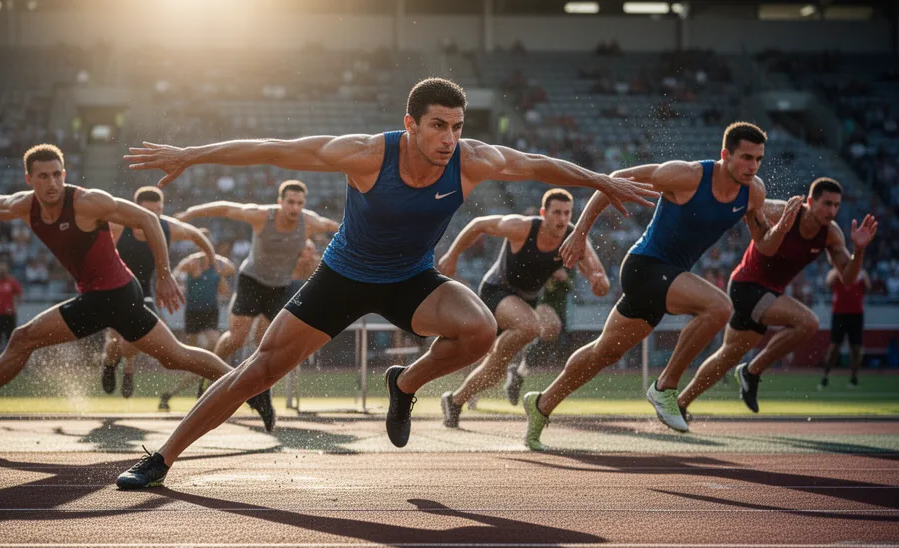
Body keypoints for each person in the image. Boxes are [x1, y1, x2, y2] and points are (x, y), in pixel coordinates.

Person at [115, 77, 657, 488]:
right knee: (257, 370)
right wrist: (190, 154)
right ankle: (161, 458)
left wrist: (600, 180)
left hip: (411, 279)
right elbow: (274, 147)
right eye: (439, 126)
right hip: (343, 278)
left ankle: (404, 385)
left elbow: (537, 164)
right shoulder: (367, 154)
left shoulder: (469, 162)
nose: (450, 138)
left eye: (458, 126)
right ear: (412, 123)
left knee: (479, 330)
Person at [0, 144, 239, 427]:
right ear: (29, 180)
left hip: (111, 294)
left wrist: (165, 274)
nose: (53, 183)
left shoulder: (86, 202)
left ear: (65, 173)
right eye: (43, 177)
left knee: (22, 338)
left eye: (57, 174)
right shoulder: (24, 206)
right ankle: (249, 387)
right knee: (176, 356)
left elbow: (149, 219)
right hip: (116, 295)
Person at [525, 122, 784, 447]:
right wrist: (580, 234)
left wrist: (783, 226)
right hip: (644, 267)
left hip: (668, 279)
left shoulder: (753, 192)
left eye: (759, 159)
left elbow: (765, 244)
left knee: (603, 352)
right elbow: (615, 178)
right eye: (746, 157)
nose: (753, 166)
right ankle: (665, 388)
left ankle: (541, 405)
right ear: (725, 155)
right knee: (719, 307)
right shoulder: (687, 176)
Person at [676, 177, 877, 417]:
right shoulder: (784, 210)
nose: (832, 211)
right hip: (747, 286)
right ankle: (752, 371)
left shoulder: (831, 234)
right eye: (826, 204)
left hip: (769, 295)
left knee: (727, 356)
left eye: (836, 205)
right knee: (808, 322)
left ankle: (680, 403)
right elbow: (747, 206)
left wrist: (860, 250)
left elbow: (847, 277)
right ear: (810, 201)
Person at [435, 188, 609, 428]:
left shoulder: (575, 237)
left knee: (505, 363)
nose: (562, 219)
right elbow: (478, 224)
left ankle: (455, 400)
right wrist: (453, 255)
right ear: (543, 213)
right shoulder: (523, 227)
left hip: (528, 300)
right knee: (529, 327)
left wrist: (599, 281)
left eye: (567, 213)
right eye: (556, 212)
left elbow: (600, 279)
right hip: (497, 291)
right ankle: (500, 360)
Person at [173, 180, 340, 366]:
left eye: (300, 203)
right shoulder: (262, 215)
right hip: (251, 280)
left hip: (279, 286)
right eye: (290, 202)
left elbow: (335, 227)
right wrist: (190, 213)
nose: (295, 208)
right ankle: (211, 375)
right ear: (280, 201)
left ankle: (259, 391)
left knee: (265, 344)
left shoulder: (310, 222)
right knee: (236, 339)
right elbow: (226, 209)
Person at [99, 186, 219, 400]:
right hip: (115, 288)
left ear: (162, 210)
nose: (151, 218)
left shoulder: (167, 228)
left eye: (156, 212)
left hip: (142, 290)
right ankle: (109, 364)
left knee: (134, 339)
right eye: (146, 213)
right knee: (114, 341)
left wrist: (210, 257)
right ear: (135, 209)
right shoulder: (118, 225)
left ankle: (128, 368)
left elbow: (197, 235)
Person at [158, 237, 236, 411]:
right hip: (193, 312)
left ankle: (203, 381)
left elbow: (231, 270)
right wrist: (183, 283)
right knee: (190, 358)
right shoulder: (191, 262)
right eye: (201, 246)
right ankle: (185, 387)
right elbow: (176, 273)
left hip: (210, 312)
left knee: (212, 344)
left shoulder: (220, 263)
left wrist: (220, 273)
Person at [821, 261, 872, 390]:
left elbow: (869, 288)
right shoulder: (835, 272)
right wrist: (838, 272)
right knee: (834, 348)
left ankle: (854, 378)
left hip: (856, 315)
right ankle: (825, 377)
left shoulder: (861, 274)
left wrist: (861, 276)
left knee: (856, 349)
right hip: (839, 314)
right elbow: (827, 284)